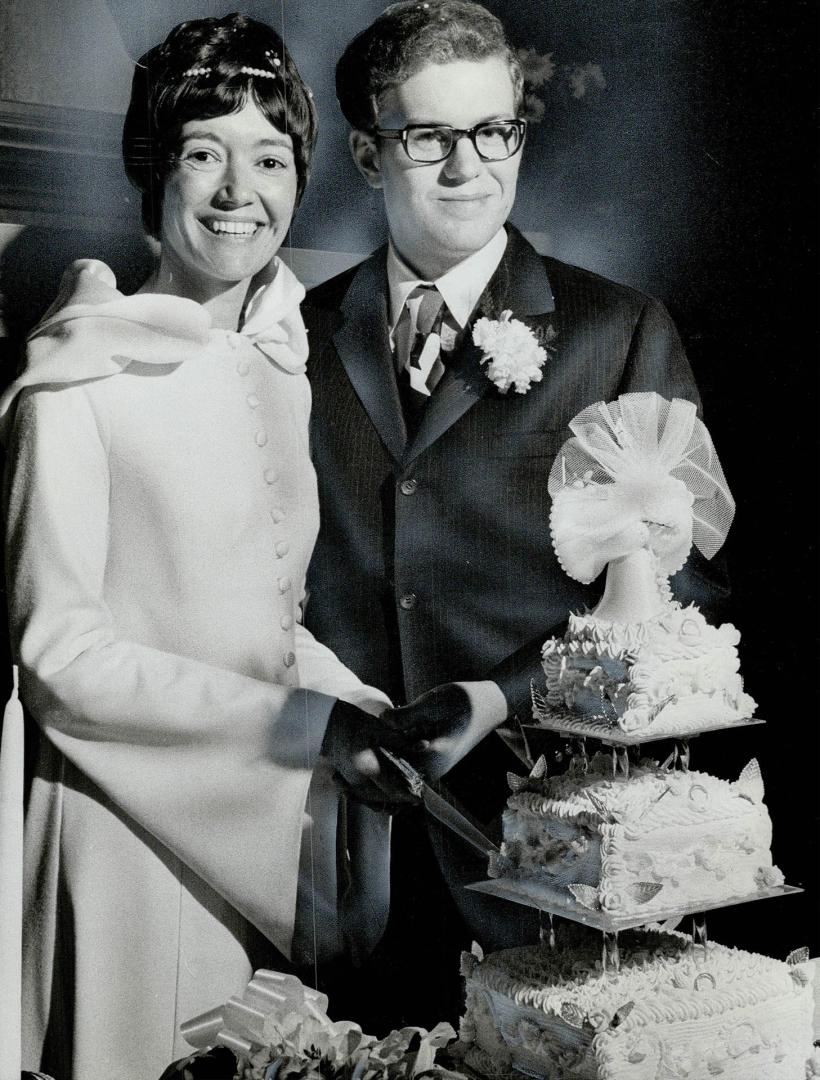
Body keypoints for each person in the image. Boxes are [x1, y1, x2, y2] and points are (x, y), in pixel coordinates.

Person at [0, 14, 412, 1080]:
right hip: (121, 836)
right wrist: (299, 726)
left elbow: (263, 620)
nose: (240, 191)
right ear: (154, 173)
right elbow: (60, 658)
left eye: (269, 158)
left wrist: (364, 711)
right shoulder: (77, 379)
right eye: (203, 154)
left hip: (250, 835)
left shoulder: (277, 360)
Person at [303, 0, 723, 1028]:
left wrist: (495, 699)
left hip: (542, 859)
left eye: (493, 131)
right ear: (367, 153)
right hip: (340, 852)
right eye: (429, 137)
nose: (469, 166)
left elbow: (677, 598)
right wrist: (323, 717)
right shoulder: (299, 332)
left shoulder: (616, 330)